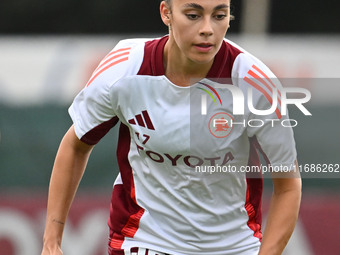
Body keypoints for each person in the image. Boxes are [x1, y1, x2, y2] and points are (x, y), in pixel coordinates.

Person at [41, 0, 302, 254]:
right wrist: (51, 241)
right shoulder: (123, 70)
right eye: (193, 15)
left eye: (219, 15)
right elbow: (76, 146)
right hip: (144, 240)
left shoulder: (254, 83)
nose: (207, 29)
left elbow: (288, 185)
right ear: (166, 13)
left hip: (233, 246)